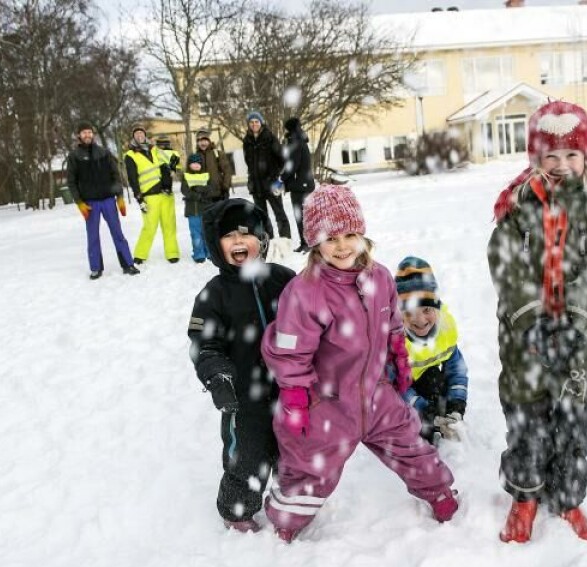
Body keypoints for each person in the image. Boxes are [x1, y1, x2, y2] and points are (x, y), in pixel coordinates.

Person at [261, 185, 458, 542]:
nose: (342, 246)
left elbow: (392, 322)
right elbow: (290, 350)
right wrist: (294, 396)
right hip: (329, 402)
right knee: (310, 466)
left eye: (350, 234)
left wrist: (398, 353)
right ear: (314, 242)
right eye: (331, 238)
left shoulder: (380, 277)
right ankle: (285, 521)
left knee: (409, 443)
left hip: (374, 393)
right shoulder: (306, 291)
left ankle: (440, 492)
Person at [488, 100, 587, 544]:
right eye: (551, 156)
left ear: (585, 155)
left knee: (572, 418)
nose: (562, 165)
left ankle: (568, 496)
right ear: (536, 157)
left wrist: (575, 324)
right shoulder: (519, 202)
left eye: (571, 155)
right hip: (522, 336)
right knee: (527, 418)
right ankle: (525, 494)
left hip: (578, 339)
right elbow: (503, 259)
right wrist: (530, 319)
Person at [188, 198, 296, 532]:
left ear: (262, 240)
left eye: (247, 234)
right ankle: (237, 509)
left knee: (292, 449)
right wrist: (217, 374)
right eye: (229, 236)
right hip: (242, 395)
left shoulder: (283, 279)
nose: (239, 242)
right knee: (247, 455)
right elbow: (204, 343)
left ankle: (290, 497)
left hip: (289, 388)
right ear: (217, 245)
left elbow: (309, 320)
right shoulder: (215, 294)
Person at [394, 256, 468, 444]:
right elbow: (394, 387)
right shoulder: (394, 340)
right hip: (399, 392)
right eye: (410, 312)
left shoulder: (445, 329)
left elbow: (457, 371)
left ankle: (440, 420)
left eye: (427, 310)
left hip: (426, 381)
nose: (420, 320)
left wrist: (456, 404)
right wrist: (422, 409)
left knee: (435, 380)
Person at [65, 120, 140, 280]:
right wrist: (80, 203)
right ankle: (96, 268)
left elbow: (116, 176)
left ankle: (128, 264)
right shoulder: (74, 157)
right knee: (92, 236)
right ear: (79, 135)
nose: (87, 135)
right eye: (84, 132)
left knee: (118, 233)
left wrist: (119, 197)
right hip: (90, 204)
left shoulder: (104, 153)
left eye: (89, 132)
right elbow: (71, 182)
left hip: (108, 201)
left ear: (93, 134)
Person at [124, 124, 180, 264]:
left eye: (141, 133)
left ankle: (172, 253)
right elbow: (132, 179)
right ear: (133, 137)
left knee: (169, 225)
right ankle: (140, 255)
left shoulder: (154, 149)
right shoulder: (130, 155)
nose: (139, 135)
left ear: (145, 135)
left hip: (165, 194)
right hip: (149, 196)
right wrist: (139, 199)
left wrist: (174, 163)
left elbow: (171, 157)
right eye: (136, 134)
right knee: (149, 227)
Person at [243, 111, 290, 241]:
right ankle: (268, 240)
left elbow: (282, 158)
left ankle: (286, 240)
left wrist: (274, 175)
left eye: (256, 122)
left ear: (261, 122)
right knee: (261, 216)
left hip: (272, 183)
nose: (254, 124)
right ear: (248, 124)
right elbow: (248, 161)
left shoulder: (270, 137)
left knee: (279, 213)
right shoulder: (247, 141)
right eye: (251, 122)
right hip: (256, 185)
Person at [281, 117, 316, 252]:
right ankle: (307, 242)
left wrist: (281, 179)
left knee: (301, 216)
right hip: (304, 184)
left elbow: (292, 166)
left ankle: (306, 243)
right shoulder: (300, 140)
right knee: (305, 215)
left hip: (299, 185)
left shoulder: (295, 142)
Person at [181, 153, 221, 263]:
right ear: (189, 165)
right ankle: (199, 254)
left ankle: (209, 252)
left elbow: (212, 189)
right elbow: (185, 190)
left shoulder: (206, 175)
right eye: (193, 163)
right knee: (196, 233)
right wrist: (196, 196)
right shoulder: (186, 176)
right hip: (192, 210)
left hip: (206, 209)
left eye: (198, 163)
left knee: (207, 232)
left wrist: (201, 189)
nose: (196, 165)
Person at [195, 129, 233, 201]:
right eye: (200, 141)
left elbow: (227, 172)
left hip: (219, 194)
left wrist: (225, 188)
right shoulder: (195, 157)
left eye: (204, 140)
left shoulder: (217, 154)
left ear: (209, 141)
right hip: (204, 197)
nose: (202, 143)